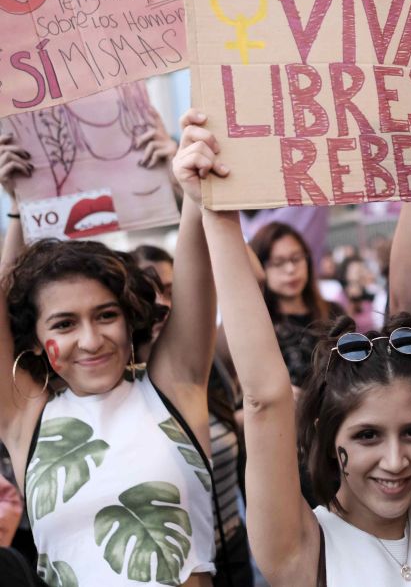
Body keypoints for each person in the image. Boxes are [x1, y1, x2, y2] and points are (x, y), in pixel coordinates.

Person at [172, 110, 411, 587]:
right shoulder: (300, 549)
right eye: (368, 436)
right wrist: (217, 211)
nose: (396, 461)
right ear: (330, 439)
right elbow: (265, 395)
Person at [0, 111, 219, 586]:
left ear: (130, 319)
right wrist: (17, 207)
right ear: (36, 343)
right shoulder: (26, 420)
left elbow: (198, 267)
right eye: (64, 323)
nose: (91, 339)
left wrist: (193, 194)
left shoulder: (172, 388)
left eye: (105, 314)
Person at [133, 243, 254, 587]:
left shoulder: (208, 365)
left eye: (172, 292)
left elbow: (253, 278)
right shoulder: (119, 390)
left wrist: (202, 205)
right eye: (148, 297)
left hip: (234, 551)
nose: (162, 306)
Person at [249, 222, 343, 389]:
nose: (291, 269)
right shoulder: (257, 325)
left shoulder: (334, 313)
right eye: (278, 262)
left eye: (296, 258)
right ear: (261, 268)